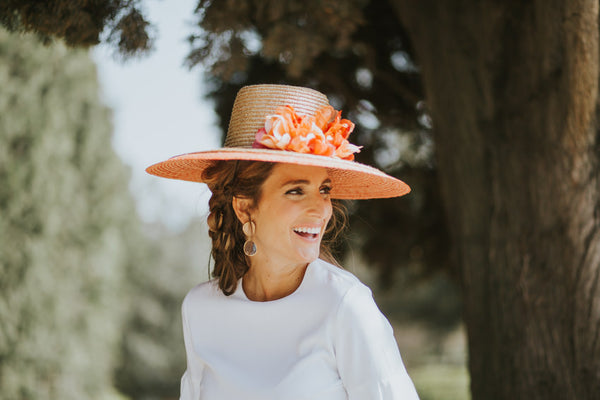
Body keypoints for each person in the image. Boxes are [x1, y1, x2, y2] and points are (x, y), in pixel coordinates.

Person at [146, 84, 420, 400]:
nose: (321, 209)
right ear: (245, 206)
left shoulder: (345, 306)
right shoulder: (199, 309)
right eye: (295, 190)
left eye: (324, 190)